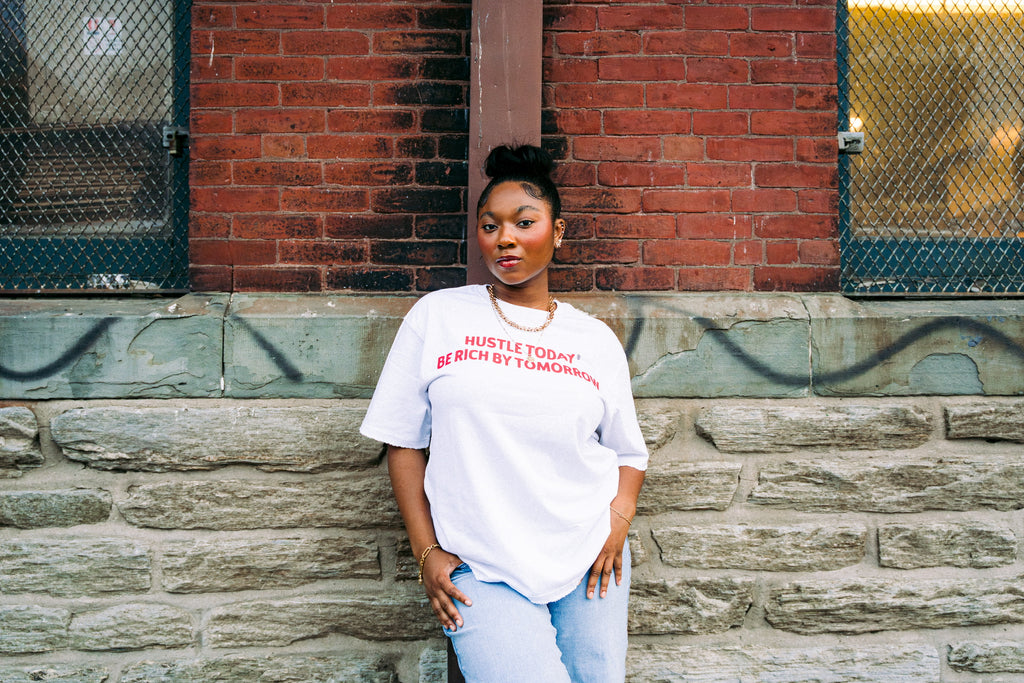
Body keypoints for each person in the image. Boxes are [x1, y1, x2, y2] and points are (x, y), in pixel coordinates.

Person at [359, 144, 648, 682]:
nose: (505, 238)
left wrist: (617, 521)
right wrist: (427, 555)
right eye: (490, 226)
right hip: (481, 566)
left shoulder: (593, 340)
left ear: (558, 232)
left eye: (524, 222)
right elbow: (402, 444)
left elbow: (628, 453)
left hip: (588, 558)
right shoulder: (439, 316)